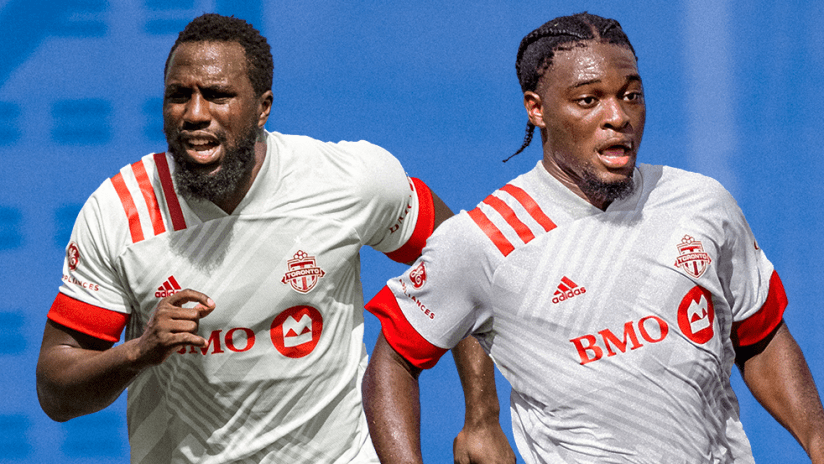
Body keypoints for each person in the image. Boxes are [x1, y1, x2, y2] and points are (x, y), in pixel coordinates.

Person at [35, 13, 514, 464]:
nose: (195, 113)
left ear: (263, 107)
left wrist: (482, 416)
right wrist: (137, 352)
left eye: (218, 95)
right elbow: (56, 392)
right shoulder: (119, 210)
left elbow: (461, 262)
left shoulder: (345, 181)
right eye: (178, 95)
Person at [362, 12, 824, 464]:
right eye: (588, 100)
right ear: (536, 108)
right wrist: (477, 420)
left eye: (631, 95)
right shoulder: (485, 240)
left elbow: (760, 337)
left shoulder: (701, 203)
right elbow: (394, 360)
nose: (618, 116)